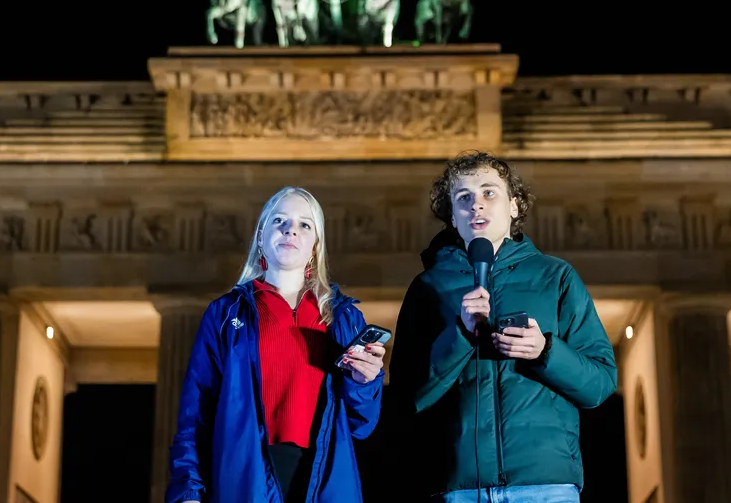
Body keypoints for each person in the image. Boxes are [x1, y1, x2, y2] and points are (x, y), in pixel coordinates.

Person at [391, 151, 617, 502]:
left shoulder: (556, 276)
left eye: (489, 192)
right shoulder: (428, 287)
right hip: (461, 489)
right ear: (452, 217)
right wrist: (461, 335)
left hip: (546, 485)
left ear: (513, 206)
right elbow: (407, 397)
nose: (476, 205)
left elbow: (600, 384)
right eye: (463, 197)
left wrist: (545, 351)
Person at [166, 187, 387, 503]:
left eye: (304, 224)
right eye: (279, 220)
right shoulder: (225, 313)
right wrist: (188, 491)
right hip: (245, 479)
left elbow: (361, 425)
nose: (290, 230)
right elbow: (196, 412)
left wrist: (364, 382)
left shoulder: (345, 318)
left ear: (315, 245)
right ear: (260, 236)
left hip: (324, 478)